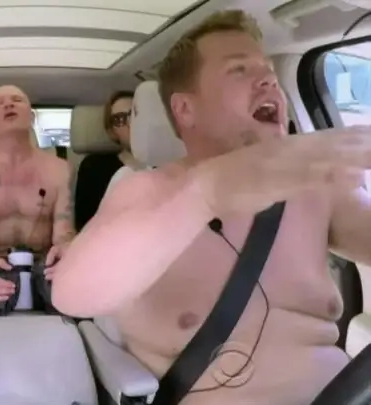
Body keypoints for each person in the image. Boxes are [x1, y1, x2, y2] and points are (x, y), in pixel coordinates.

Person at [52, 10, 371, 405]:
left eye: (270, 71)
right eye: (239, 70)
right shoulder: (146, 192)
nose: (269, 80)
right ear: (186, 109)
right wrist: (207, 192)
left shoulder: (316, 186)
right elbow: (73, 294)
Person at [0, 85, 75, 307]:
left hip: (44, 275)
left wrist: (65, 254)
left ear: (32, 117)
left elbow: (63, 232)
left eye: (17, 100)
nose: (9, 104)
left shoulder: (60, 169)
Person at [75, 90, 146, 230]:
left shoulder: (168, 165)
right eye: (120, 119)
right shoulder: (94, 168)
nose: (130, 123)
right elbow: (85, 227)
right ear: (112, 131)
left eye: (135, 114)